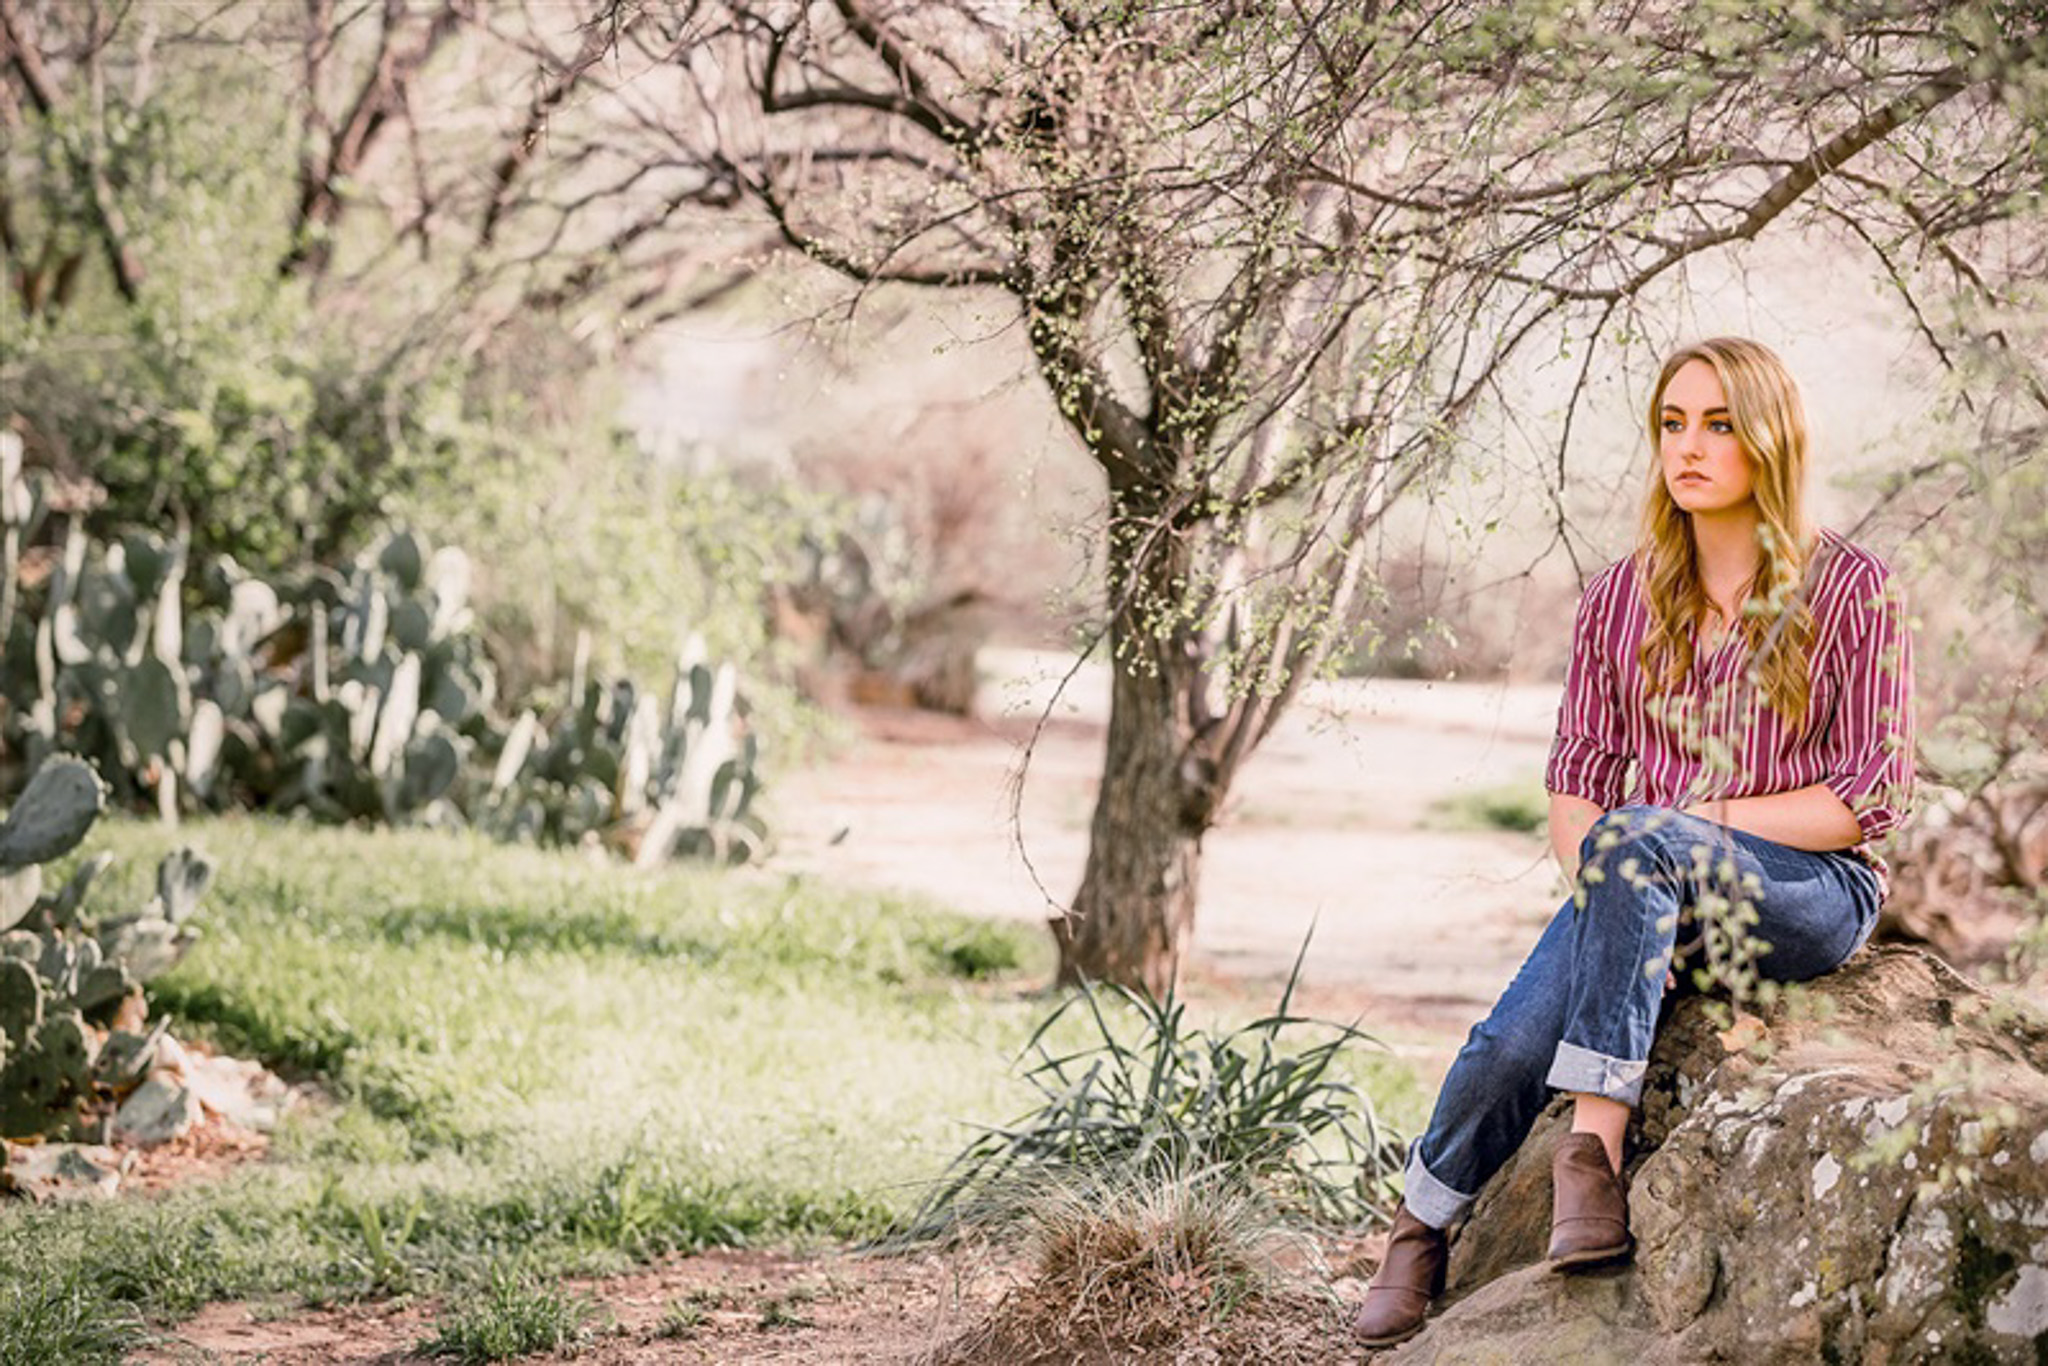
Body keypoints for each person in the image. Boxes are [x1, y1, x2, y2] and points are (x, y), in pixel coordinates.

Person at [1350, 336, 1916, 1348]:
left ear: (1768, 439)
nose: (1685, 447)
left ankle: (1590, 1155)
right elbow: (1574, 786)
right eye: (1669, 423)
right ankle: (1418, 1226)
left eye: (1716, 423)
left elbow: (1861, 798)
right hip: (1639, 878)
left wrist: (1672, 836)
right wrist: (1615, 898)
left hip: (1802, 887)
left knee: (1640, 838)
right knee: (1503, 1045)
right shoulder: (1618, 599)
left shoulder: (1850, 589)